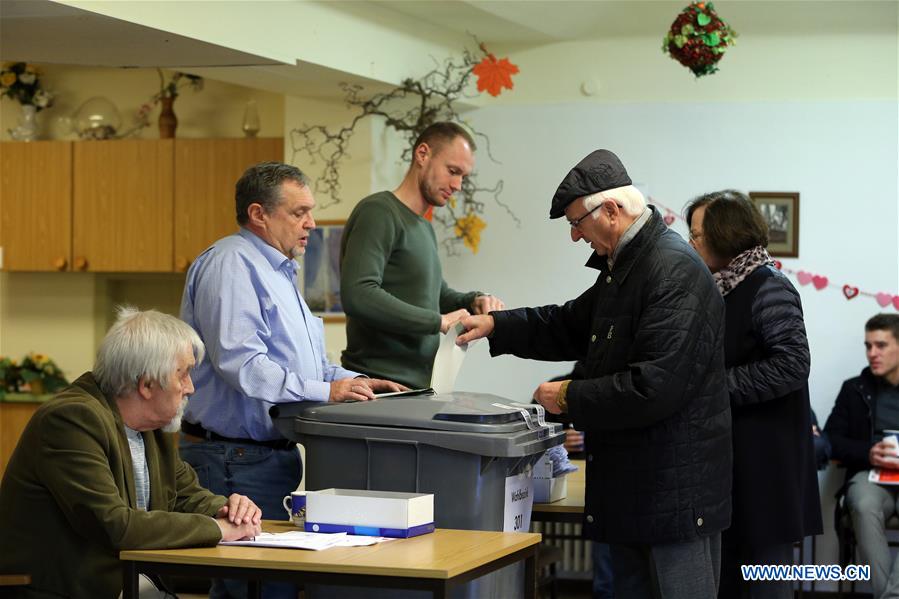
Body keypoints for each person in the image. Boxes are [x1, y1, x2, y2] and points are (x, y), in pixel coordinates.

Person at [457, 149, 732, 599]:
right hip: (638, 489)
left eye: (577, 222)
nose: (573, 235)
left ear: (612, 209)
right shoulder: (628, 266)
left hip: (673, 498)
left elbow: (652, 387)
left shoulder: (671, 269)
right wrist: (495, 325)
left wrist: (568, 396)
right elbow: (569, 324)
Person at [179, 161, 404, 599]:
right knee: (251, 589)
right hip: (233, 458)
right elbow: (242, 364)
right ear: (259, 214)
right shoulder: (232, 264)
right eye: (299, 212)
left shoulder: (279, 271)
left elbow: (310, 368)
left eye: (311, 211)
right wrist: (327, 391)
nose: (311, 224)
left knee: (269, 586)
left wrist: (357, 381)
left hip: (265, 457)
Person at [0, 307, 261, 599]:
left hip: (132, 582)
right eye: (183, 374)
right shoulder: (70, 420)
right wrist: (218, 528)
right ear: (147, 384)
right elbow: (115, 525)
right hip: (65, 590)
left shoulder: (152, 427)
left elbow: (187, 496)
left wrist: (230, 510)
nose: (190, 387)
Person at [685, 190, 822, 598]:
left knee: (763, 586)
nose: (690, 244)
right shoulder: (715, 290)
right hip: (729, 468)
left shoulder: (770, 286)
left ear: (726, 235)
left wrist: (714, 389)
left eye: (696, 234)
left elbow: (793, 365)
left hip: (767, 469)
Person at [340, 122, 505, 389]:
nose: (458, 185)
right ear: (422, 154)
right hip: (378, 385)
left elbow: (434, 295)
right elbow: (358, 294)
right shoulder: (379, 212)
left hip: (419, 387)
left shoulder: (423, 226)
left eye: (463, 176)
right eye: (453, 171)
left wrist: (473, 301)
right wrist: (437, 322)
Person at [825, 313, 899, 599]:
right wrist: (869, 452)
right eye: (868, 346)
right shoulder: (854, 389)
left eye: (881, 345)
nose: (872, 353)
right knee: (863, 503)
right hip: (872, 477)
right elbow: (831, 440)